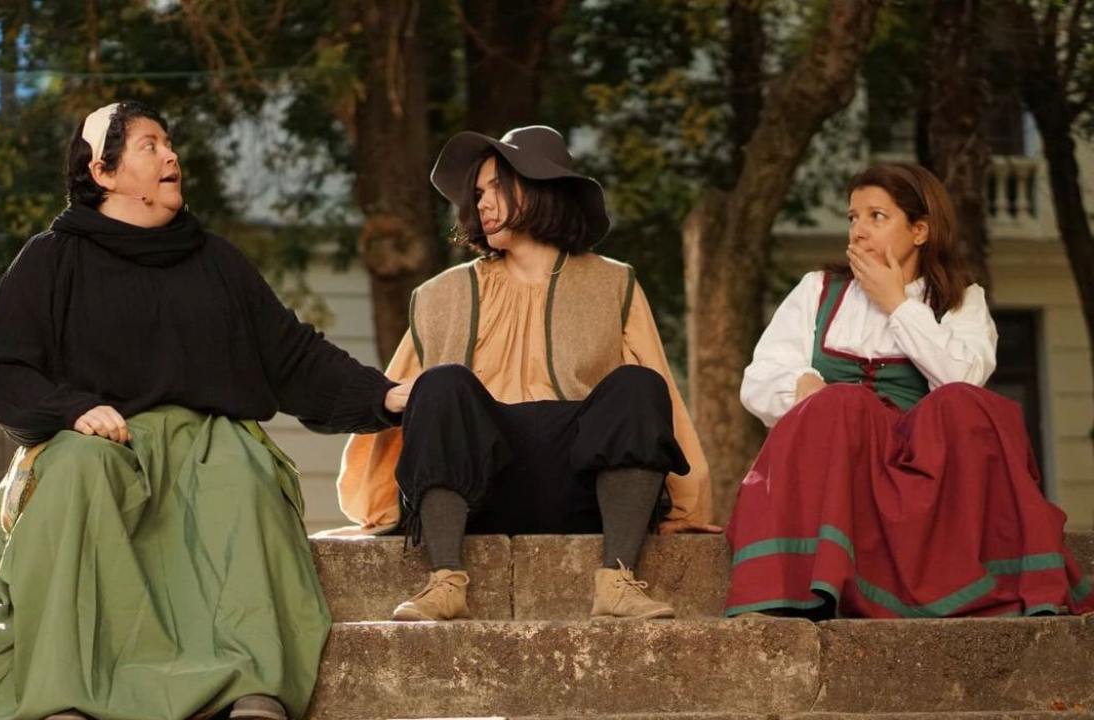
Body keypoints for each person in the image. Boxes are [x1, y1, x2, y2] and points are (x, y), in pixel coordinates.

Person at [0, 101, 409, 720]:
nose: (171, 155)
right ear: (103, 172)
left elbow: (293, 356)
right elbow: (2, 370)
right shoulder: (51, 259)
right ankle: (64, 687)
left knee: (240, 468)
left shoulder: (217, 262)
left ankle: (250, 679)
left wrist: (382, 396)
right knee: (79, 470)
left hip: (205, 447)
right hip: (99, 445)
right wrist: (73, 410)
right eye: (150, 145)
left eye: (169, 143)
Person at [337, 125, 718, 622]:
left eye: (497, 186)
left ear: (542, 189)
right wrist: (376, 508)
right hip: (478, 490)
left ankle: (617, 581)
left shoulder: (613, 282)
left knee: (639, 384)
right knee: (441, 382)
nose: (482, 202)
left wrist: (687, 508)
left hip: (582, 488)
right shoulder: (440, 295)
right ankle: (445, 580)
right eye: (477, 192)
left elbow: (660, 392)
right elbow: (409, 398)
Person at [725, 162, 1093, 619]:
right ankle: (819, 574)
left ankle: (952, 579)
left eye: (876, 217)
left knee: (964, 403)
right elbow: (760, 378)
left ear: (919, 231)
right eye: (853, 217)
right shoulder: (817, 290)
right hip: (841, 468)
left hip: (926, 475)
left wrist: (897, 304)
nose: (859, 230)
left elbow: (962, 381)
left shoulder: (961, 300)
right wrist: (801, 384)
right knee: (842, 401)